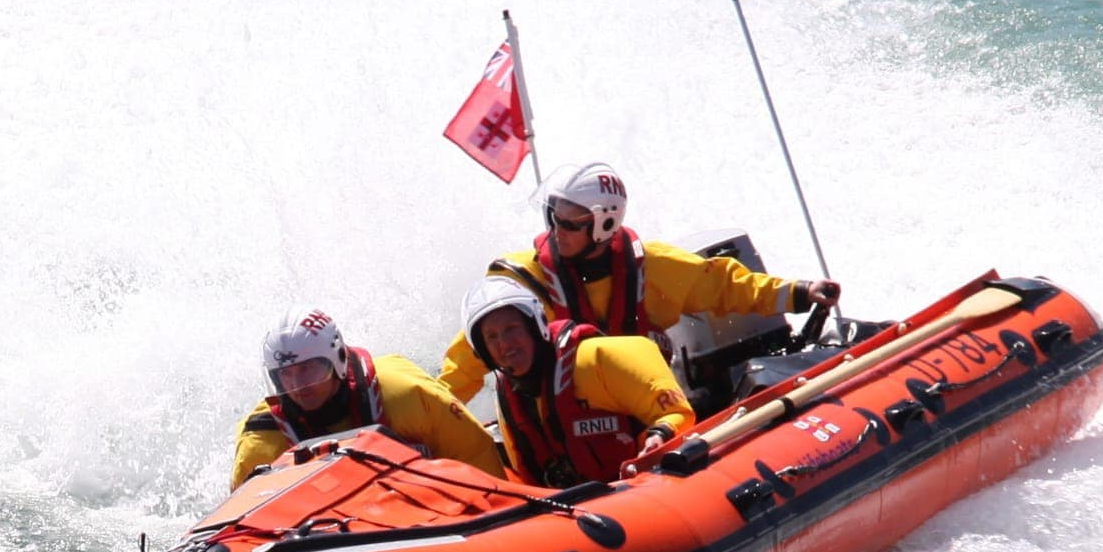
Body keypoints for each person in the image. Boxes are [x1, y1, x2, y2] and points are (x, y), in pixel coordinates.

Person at [439, 161, 841, 404]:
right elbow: (468, 360)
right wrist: (439, 410)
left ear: (604, 224)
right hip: (554, 419)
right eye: (553, 217)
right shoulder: (521, 283)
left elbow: (723, 284)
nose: (556, 230)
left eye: (569, 223)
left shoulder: (653, 267)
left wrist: (798, 292)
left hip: (638, 411)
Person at [231, 305, 506, 490]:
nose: (298, 385)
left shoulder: (407, 394)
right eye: (286, 375)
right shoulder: (261, 443)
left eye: (309, 368)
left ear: (338, 359)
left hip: (427, 511)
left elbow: (475, 453)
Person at [460, 276, 697, 489]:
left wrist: (659, 436)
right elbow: (529, 477)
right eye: (492, 337)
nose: (504, 343)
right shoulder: (507, 397)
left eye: (511, 329)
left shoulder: (597, 359)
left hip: (646, 490)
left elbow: (678, 414)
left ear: (535, 327)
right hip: (578, 515)